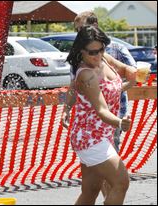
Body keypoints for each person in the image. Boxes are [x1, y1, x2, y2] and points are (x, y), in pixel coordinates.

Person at [66, 25, 137, 205]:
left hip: (100, 135)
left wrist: (132, 76)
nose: (97, 56)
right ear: (81, 51)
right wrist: (120, 122)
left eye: (101, 50)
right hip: (89, 137)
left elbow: (121, 77)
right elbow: (101, 109)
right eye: (92, 52)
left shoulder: (103, 59)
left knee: (90, 192)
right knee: (121, 182)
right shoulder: (86, 74)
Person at [62, 11, 136, 154]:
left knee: (98, 175)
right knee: (116, 175)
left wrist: (133, 74)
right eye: (77, 30)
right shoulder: (81, 59)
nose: (79, 33)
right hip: (92, 129)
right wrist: (66, 108)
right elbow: (73, 86)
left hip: (112, 120)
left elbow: (131, 69)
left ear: (94, 26)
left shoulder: (113, 51)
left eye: (82, 28)